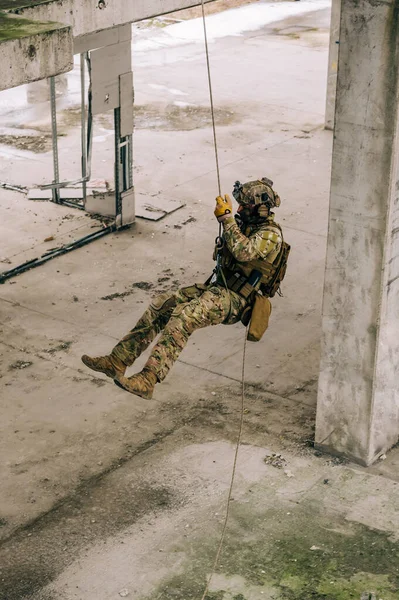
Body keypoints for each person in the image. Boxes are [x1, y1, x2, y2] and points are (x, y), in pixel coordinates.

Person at [81, 178, 288, 399]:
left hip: (237, 299)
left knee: (184, 317)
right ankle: (117, 361)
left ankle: (148, 379)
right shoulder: (245, 226)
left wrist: (227, 220)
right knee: (163, 306)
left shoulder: (270, 234)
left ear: (262, 207)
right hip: (219, 287)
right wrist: (229, 227)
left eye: (245, 207)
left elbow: (243, 253)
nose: (239, 209)